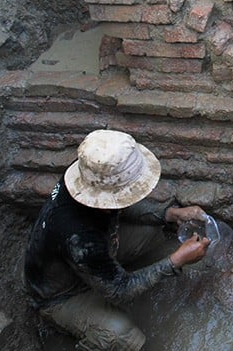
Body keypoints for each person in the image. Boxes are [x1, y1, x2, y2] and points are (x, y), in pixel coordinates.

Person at [24, 129, 211, 351]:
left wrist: (168, 214)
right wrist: (176, 261)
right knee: (123, 337)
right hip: (60, 295)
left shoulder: (89, 172)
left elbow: (122, 206)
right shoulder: (81, 239)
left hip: (82, 255)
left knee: (154, 231)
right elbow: (120, 292)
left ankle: (110, 268)